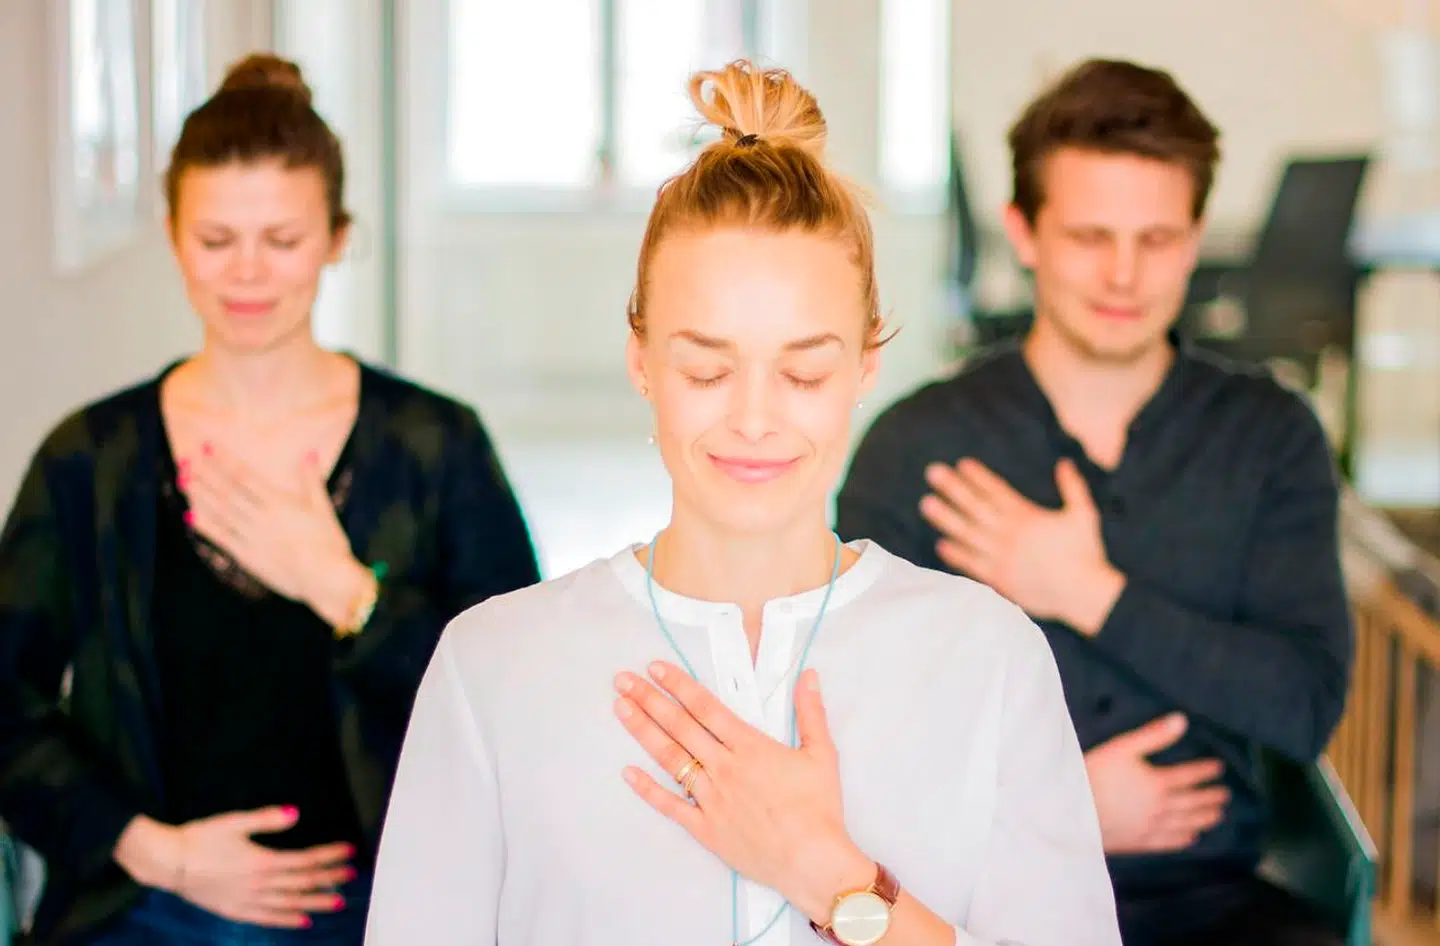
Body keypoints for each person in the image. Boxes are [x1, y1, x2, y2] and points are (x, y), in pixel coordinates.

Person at [363, 59, 1120, 946]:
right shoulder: (494, 671)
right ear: (641, 362)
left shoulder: (987, 660)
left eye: (804, 370)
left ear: (865, 368)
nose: (755, 418)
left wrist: (832, 878)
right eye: (706, 369)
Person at [0, 53, 540, 946]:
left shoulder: (434, 446)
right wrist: (153, 852)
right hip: (140, 907)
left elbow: (520, 699)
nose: (247, 273)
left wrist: (343, 590)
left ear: (336, 237)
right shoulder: (89, 459)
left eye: (283, 241)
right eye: (216, 241)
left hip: (387, 908)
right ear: (173, 236)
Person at [836, 58, 1354, 946]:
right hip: (968, 903)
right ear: (1023, 234)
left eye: (1156, 240)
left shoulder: (1270, 437)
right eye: (1088, 237)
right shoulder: (916, 446)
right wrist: (1057, 809)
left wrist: (1089, 593)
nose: (1124, 275)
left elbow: (1303, 704)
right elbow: (849, 728)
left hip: (1215, 909)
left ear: (1194, 240)